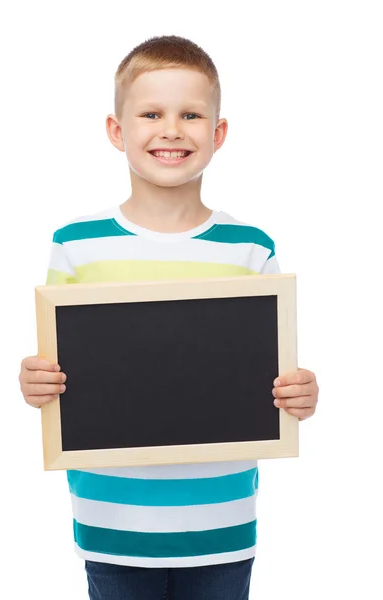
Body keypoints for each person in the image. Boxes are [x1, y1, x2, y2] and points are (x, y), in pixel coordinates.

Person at [19, 35, 319, 600]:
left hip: (221, 520)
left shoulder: (250, 248)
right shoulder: (76, 244)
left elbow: (273, 373)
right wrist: (35, 382)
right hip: (112, 521)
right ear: (117, 130)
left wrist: (300, 392)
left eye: (191, 114)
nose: (172, 130)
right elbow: (56, 366)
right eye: (151, 113)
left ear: (218, 133)